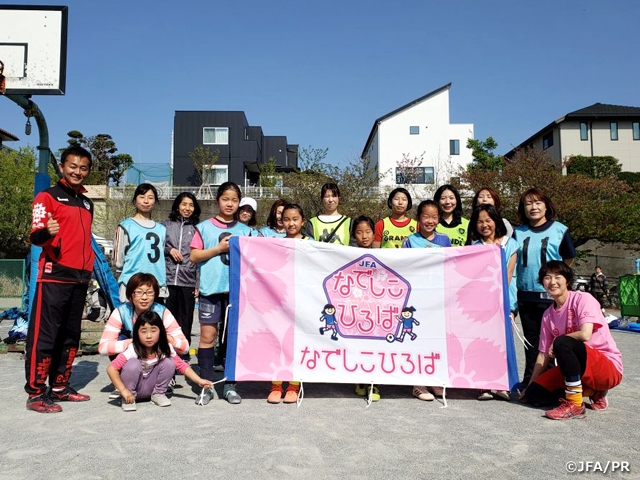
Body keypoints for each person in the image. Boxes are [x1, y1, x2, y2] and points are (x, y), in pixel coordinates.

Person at [24, 145, 95, 413]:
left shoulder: (87, 202)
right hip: (54, 276)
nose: (78, 171)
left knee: (69, 336)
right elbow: (35, 236)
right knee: (45, 336)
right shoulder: (47, 197)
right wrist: (48, 233)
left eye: (83, 167)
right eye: (73, 166)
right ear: (63, 167)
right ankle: (35, 392)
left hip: (80, 278)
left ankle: (60, 387)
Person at [520, 261, 623, 420]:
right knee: (534, 395)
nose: (552, 282)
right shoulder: (548, 315)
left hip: (606, 366)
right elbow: (542, 355)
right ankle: (591, 391)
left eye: (557, 277)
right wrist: (530, 385)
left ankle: (575, 404)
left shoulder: (583, 299)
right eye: (547, 278)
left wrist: (558, 341)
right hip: (577, 369)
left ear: (567, 280)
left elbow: (585, 334)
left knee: (563, 342)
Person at [190, 182, 252, 405]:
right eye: (226, 199)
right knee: (207, 337)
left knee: (232, 339)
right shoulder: (204, 227)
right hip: (210, 290)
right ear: (218, 200)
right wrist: (218, 249)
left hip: (236, 293)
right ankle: (205, 385)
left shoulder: (246, 231)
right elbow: (194, 256)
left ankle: (230, 385)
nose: (230, 203)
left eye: (234, 200)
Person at [513, 188, 576, 388]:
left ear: (546, 205)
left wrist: (556, 281)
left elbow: (568, 258)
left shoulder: (560, 229)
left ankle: (552, 384)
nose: (534, 207)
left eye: (538, 202)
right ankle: (531, 382)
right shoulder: (518, 232)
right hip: (525, 295)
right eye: (529, 203)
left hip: (551, 297)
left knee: (552, 343)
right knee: (531, 342)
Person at [107, 311, 213, 411]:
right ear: (137, 333)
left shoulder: (165, 348)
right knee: (132, 364)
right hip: (132, 391)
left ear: (161, 332)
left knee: (170, 362)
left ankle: (158, 394)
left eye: (153, 331)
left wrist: (199, 380)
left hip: (151, 388)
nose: (149, 336)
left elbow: (182, 366)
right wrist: (123, 390)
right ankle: (128, 399)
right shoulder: (132, 349)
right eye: (143, 331)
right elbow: (111, 369)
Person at [401, 200, 450, 401]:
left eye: (434, 217)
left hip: (438, 298)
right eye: (426, 216)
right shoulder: (410, 240)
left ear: (439, 219)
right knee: (417, 339)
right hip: (417, 298)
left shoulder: (445, 240)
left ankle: (435, 380)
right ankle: (418, 383)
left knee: (436, 339)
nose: (430, 221)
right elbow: (403, 267)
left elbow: (451, 266)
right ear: (418, 218)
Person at [469, 204, 518, 400]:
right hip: (482, 303)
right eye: (479, 222)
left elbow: (508, 274)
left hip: (504, 300)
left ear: (496, 221)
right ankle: (484, 385)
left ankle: (503, 384)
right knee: (484, 343)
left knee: (504, 341)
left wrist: (500, 299)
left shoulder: (510, 244)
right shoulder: (474, 247)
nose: (484, 225)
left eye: (488, 220)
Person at [267, 203, 312, 403]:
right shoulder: (275, 244)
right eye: (286, 219)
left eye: (295, 219)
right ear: (281, 221)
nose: (291, 223)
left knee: (297, 343)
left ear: (303, 221)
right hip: (280, 301)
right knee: (277, 343)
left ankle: (294, 385)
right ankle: (276, 385)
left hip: (302, 302)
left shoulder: (311, 243)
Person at [98, 273, 189, 358]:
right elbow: (103, 347)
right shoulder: (121, 312)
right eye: (138, 292)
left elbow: (185, 347)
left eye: (149, 292)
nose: (144, 297)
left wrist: (164, 339)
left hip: (157, 356)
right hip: (130, 357)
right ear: (130, 294)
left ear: (155, 295)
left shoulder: (163, 312)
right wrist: (136, 342)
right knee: (121, 341)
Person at [113, 183, 167, 303]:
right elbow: (118, 260)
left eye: (150, 197)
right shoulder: (126, 226)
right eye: (142, 197)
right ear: (134, 200)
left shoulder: (161, 229)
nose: (146, 201)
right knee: (131, 320)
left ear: (155, 201)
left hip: (156, 283)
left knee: (153, 321)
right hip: (132, 282)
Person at [162, 192, 200, 352]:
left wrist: (198, 283)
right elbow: (157, 247)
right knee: (168, 318)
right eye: (184, 204)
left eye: (191, 205)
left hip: (188, 280)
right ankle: (167, 349)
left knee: (186, 318)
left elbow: (200, 257)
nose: (187, 208)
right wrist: (169, 250)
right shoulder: (165, 225)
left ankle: (183, 351)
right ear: (177, 206)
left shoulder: (198, 229)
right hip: (168, 279)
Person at [349, 216, 381, 401]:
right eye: (359, 232)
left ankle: (373, 383)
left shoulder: (382, 254)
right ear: (354, 234)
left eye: (368, 231)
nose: (364, 236)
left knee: (374, 346)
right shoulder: (347, 253)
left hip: (376, 309)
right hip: (355, 307)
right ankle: (360, 380)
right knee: (357, 344)